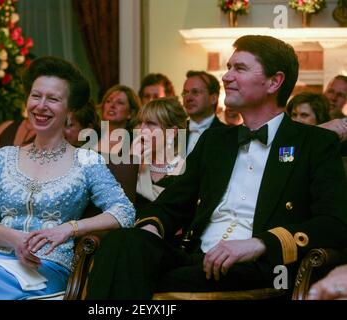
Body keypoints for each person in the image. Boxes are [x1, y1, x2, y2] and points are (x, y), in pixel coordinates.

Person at [84, 35, 347, 299]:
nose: (226, 76)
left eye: (239, 68)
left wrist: (259, 244)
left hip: (260, 267)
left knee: (134, 277)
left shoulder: (314, 143)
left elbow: (334, 223)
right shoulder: (214, 141)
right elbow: (171, 204)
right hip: (197, 257)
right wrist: (151, 230)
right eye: (229, 67)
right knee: (123, 243)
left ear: (274, 82)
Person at [0, 56, 135, 300]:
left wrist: (69, 229)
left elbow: (124, 212)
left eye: (52, 99)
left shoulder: (86, 161)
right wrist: (16, 240)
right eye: (36, 96)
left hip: (45, 268)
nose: (41, 106)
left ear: (69, 110)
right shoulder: (3, 158)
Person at [131, 97, 187, 213]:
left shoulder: (186, 170)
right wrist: (130, 164)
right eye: (140, 123)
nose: (141, 129)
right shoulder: (133, 160)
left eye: (150, 124)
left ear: (173, 132)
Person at [182, 70, 225, 155]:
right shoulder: (174, 133)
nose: (188, 98)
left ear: (213, 98)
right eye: (185, 93)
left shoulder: (227, 135)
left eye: (195, 92)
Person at [98, 84, 141, 155]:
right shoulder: (90, 136)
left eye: (120, 103)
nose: (112, 105)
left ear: (130, 113)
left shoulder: (136, 142)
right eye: (108, 101)